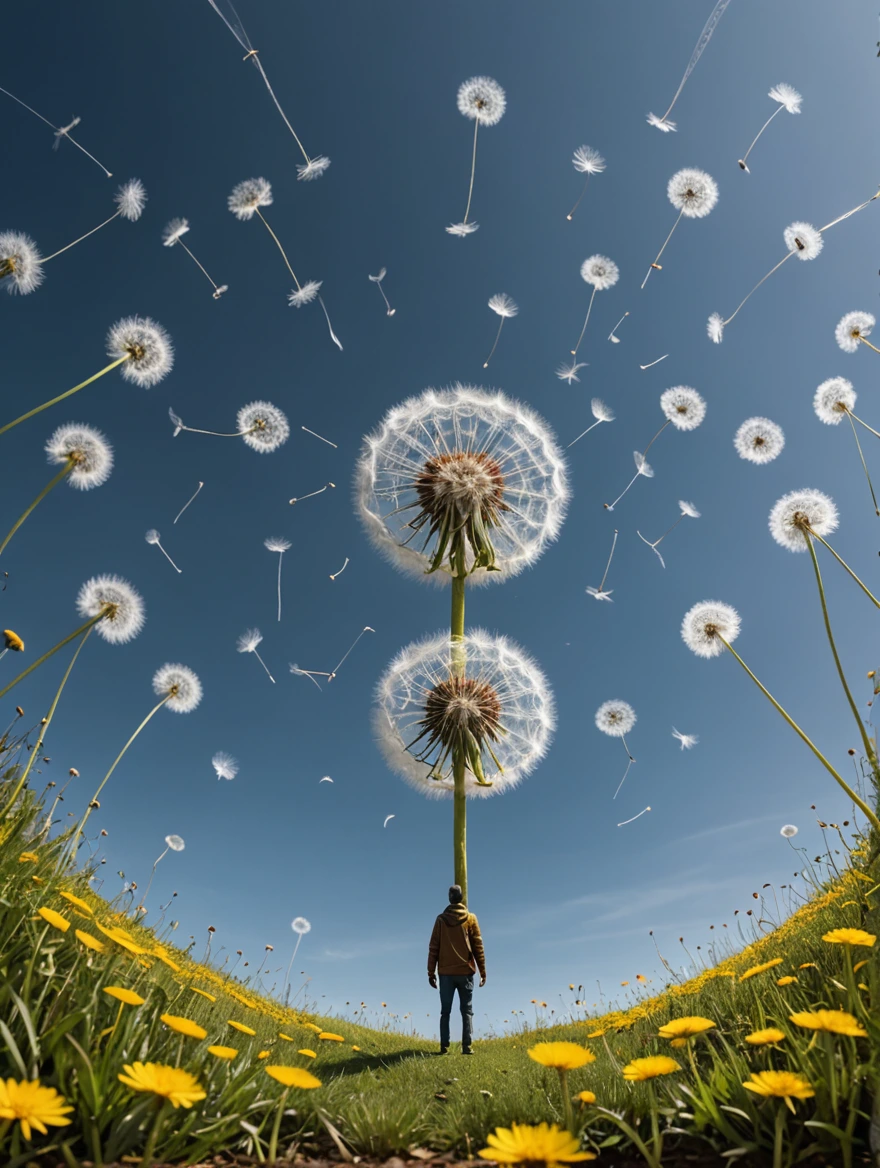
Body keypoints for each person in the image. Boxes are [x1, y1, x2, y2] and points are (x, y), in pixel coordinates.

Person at [427, 884, 487, 1054]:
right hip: (466, 972)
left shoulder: (440, 920)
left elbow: (433, 947)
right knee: (467, 1010)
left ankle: (444, 1047)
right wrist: (482, 971)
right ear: (461, 898)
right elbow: (478, 946)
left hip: (445, 973)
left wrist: (430, 972)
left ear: (449, 898)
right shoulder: (471, 919)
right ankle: (467, 1046)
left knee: (445, 1011)